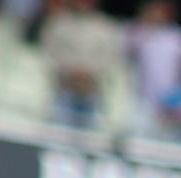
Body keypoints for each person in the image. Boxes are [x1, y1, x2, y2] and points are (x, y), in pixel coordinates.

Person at [39, 0, 124, 131]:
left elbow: (110, 58)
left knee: (91, 136)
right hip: (63, 89)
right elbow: (48, 54)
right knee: (58, 134)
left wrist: (88, 73)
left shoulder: (105, 27)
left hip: (92, 91)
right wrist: (71, 72)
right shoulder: (57, 24)